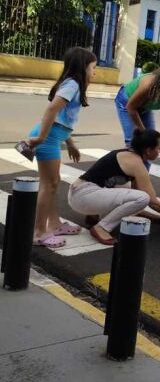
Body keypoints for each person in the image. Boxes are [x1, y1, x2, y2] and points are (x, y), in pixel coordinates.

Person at [23, 47, 97, 248]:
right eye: (92, 67)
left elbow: (63, 120)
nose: (94, 72)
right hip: (47, 141)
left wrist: (71, 143)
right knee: (49, 185)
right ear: (83, 68)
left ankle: (54, 224)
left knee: (52, 184)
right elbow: (52, 109)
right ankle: (39, 232)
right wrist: (40, 137)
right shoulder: (72, 84)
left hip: (53, 138)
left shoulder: (73, 85)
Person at [68, 129, 160, 245]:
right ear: (148, 150)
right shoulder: (135, 163)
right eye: (158, 148)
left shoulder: (128, 154)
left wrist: (157, 218)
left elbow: (133, 205)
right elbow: (152, 202)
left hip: (79, 193)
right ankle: (102, 228)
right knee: (143, 197)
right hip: (83, 196)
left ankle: (94, 215)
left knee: (132, 192)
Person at [115, 61, 160, 148]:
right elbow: (131, 108)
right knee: (135, 141)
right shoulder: (150, 85)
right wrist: (144, 133)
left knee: (152, 143)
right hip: (127, 102)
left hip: (144, 106)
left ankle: (143, 160)